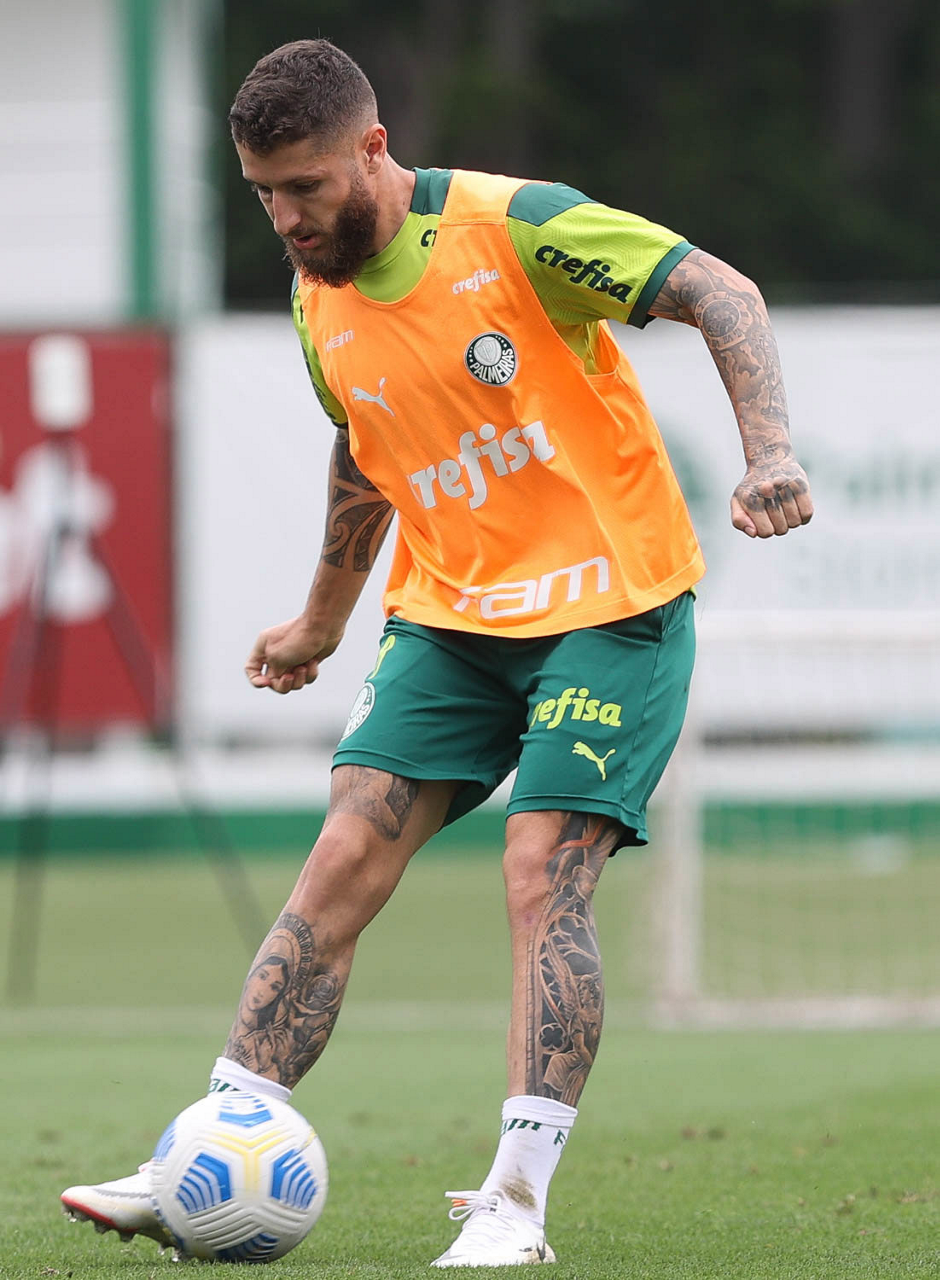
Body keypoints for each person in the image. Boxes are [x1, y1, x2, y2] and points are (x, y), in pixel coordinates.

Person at [60, 38, 813, 1268]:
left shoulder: (519, 228)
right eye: (264, 194)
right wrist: (321, 618)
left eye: (305, 186)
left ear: (372, 148)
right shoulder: (316, 290)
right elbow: (367, 445)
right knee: (343, 849)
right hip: (452, 616)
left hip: (609, 602)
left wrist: (768, 452)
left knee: (538, 867)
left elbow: (721, 293)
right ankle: (206, 1149)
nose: (286, 218)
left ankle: (514, 1201)